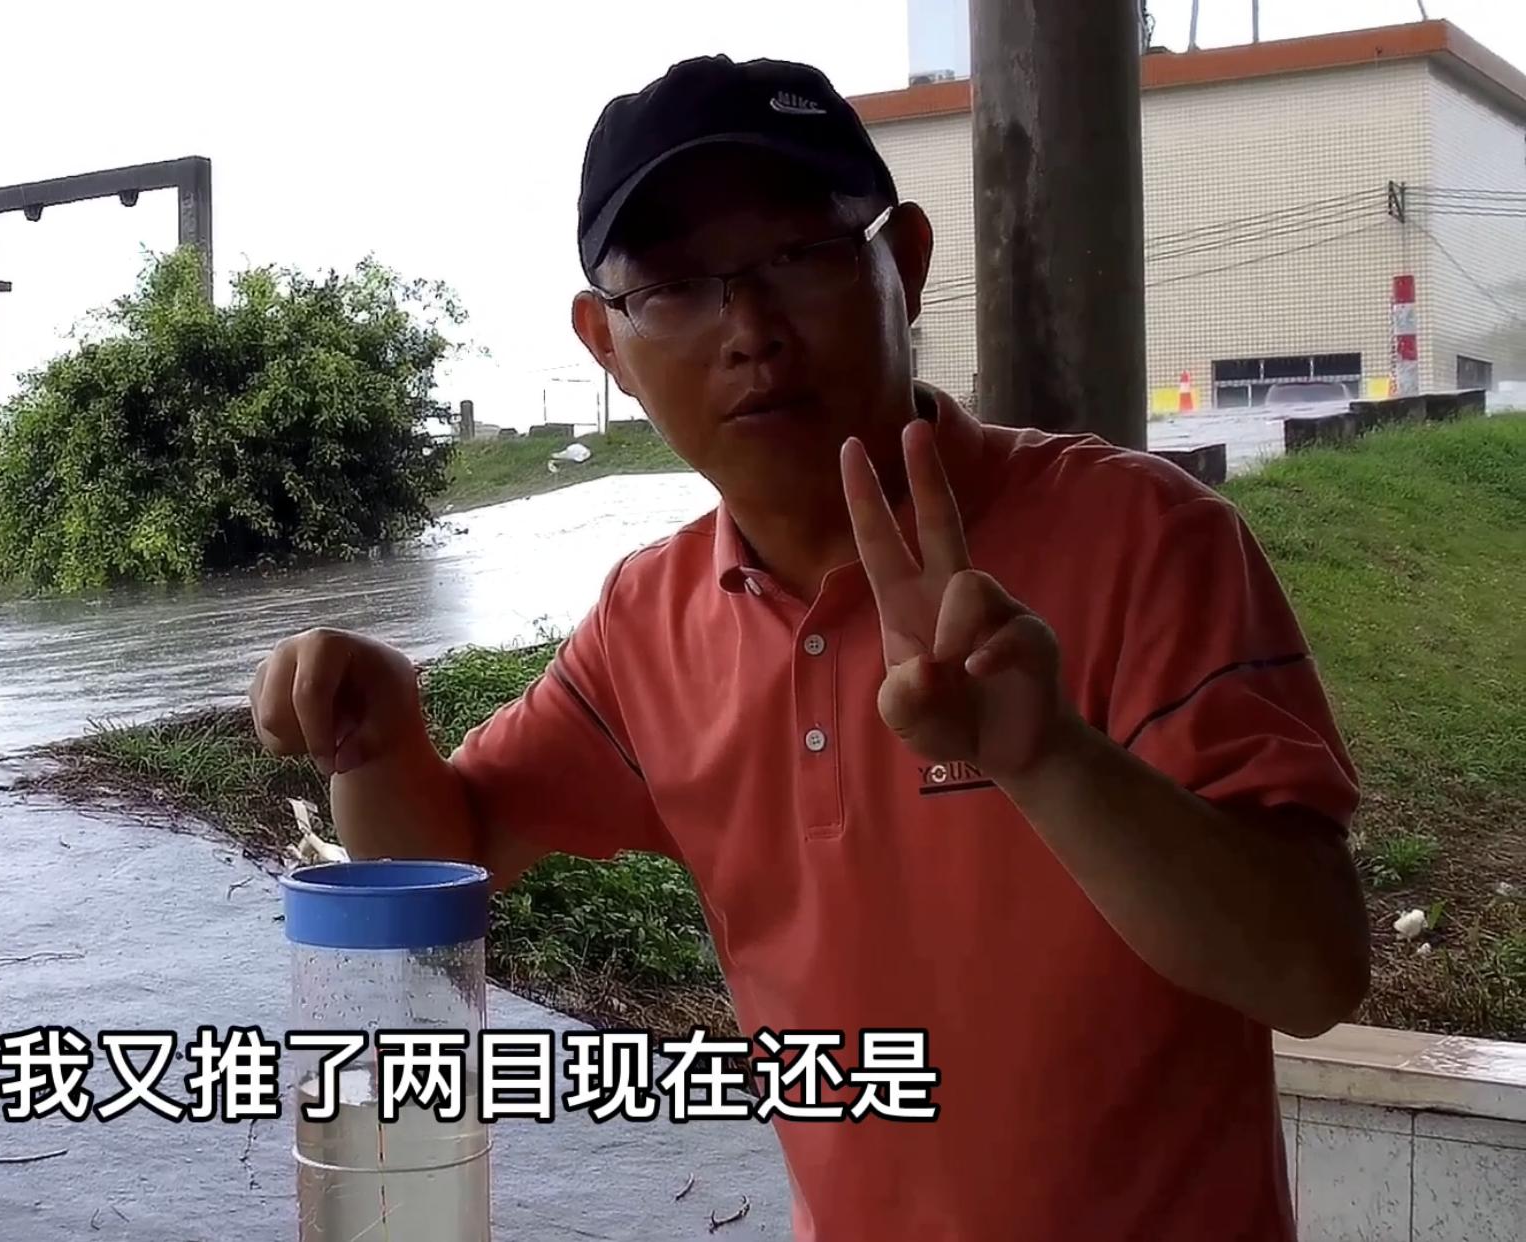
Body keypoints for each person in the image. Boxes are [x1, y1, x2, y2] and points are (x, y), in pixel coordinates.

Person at [249, 55, 1369, 1241]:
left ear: (910, 265)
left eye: (799, 255)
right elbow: (445, 867)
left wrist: (1053, 762)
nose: (752, 331)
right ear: (606, 345)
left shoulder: (1148, 541)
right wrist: (374, 743)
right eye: (676, 286)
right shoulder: (651, 623)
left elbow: (1310, 972)